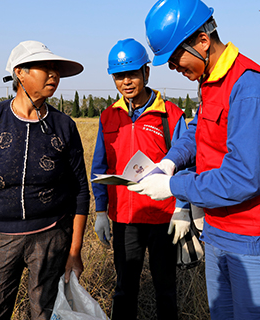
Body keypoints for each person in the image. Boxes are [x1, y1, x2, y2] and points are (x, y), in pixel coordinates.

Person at [129, 0, 260, 320]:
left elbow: (244, 177)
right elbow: (198, 132)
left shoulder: (250, 89)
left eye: (177, 58)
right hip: (219, 231)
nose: (175, 68)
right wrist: (170, 161)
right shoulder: (211, 82)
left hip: (256, 242)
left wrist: (175, 187)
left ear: (203, 41)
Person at [0, 40, 90, 320]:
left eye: (56, 70)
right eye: (45, 68)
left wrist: (74, 251)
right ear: (20, 73)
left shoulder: (64, 127)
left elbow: (80, 192)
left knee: (46, 314)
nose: (54, 75)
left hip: (51, 237)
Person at [91, 38, 190, 320]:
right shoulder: (108, 117)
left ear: (147, 72)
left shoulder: (170, 115)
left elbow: (185, 163)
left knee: (166, 288)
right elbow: (100, 165)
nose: (126, 82)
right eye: (119, 76)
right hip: (124, 219)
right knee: (124, 289)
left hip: (163, 218)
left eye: (132, 74)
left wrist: (182, 207)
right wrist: (100, 211)